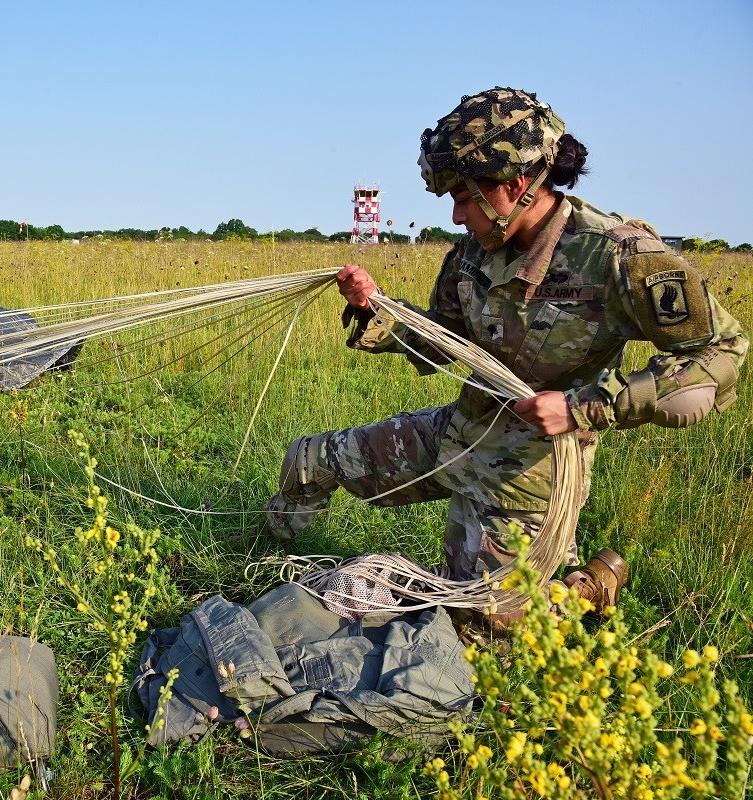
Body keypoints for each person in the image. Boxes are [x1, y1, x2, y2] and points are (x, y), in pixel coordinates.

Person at [264, 86, 747, 615]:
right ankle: (263, 554)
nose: (455, 216)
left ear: (514, 186)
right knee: (309, 460)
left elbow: (721, 352)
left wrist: (586, 406)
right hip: (459, 435)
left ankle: (583, 588)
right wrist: (375, 307)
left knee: (474, 623)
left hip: (529, 474)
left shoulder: (616, 256)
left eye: (464, 197)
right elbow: (438, 344)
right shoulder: (473, 253)